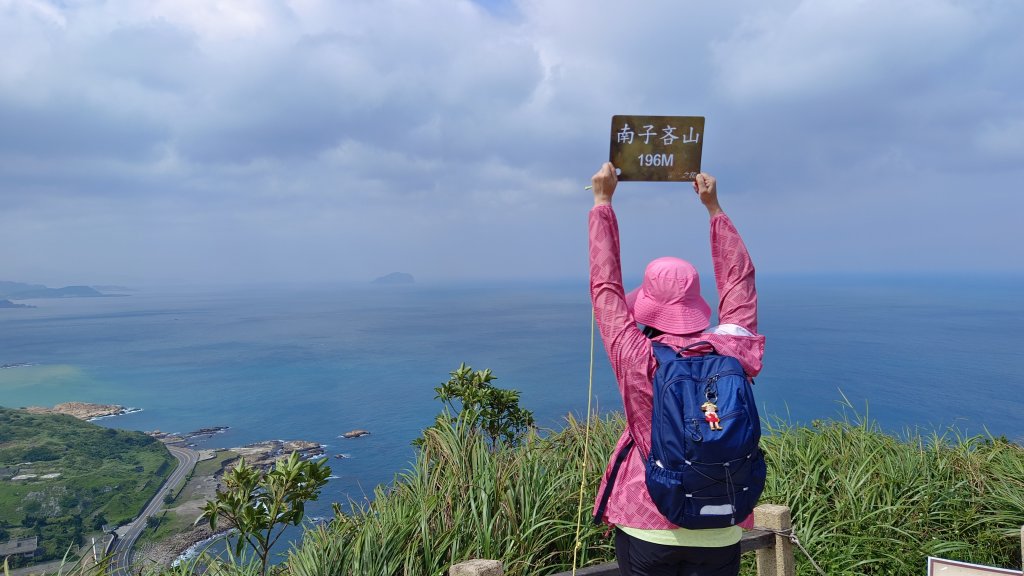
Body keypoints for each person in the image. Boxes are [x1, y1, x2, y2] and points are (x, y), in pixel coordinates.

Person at [588, 162, 766, 576]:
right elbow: (741, 283)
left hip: (647, 519)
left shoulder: (638, 355)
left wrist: (602, 204)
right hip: (723, 523)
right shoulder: (732, 350)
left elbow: (605, 289)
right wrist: (715, 210)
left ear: (648, 306)